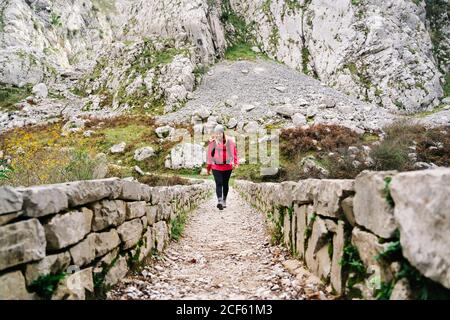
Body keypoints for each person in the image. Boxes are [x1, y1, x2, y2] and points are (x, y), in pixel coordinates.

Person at [206, 124, 239, 210]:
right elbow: (209, 156)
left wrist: (236, 162)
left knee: (225, 183)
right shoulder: (213, 142)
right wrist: (208, 168)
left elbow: (234, 152)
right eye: (216, 133)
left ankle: (224, 200)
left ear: (223, 133)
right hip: (216, 166)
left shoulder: (230, 141)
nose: (218, 135)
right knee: (219, 183)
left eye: (220, 133)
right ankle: (219, 201)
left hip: (227, 166)